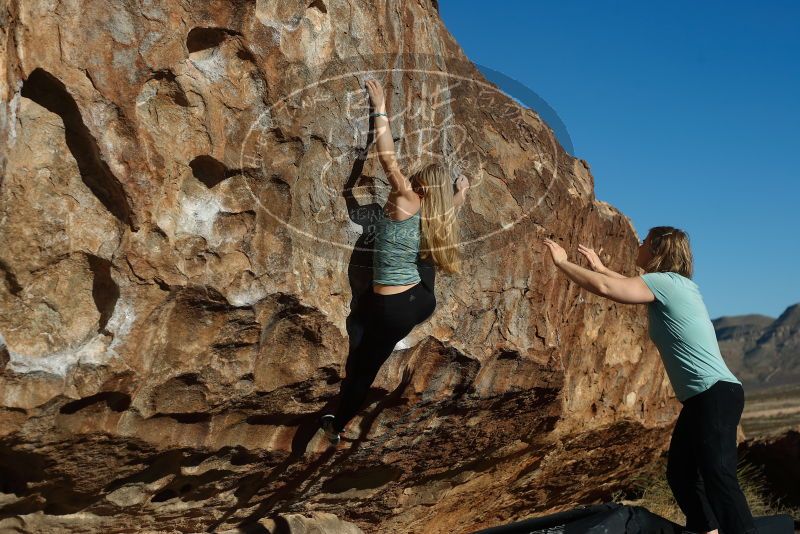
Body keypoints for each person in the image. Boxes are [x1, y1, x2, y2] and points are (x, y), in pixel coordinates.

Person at [542, 227, 757, 534]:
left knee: (718, 474)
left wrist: (563, 263)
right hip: (703, 398)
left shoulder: (666, 284)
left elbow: (606, 288)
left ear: (657, 250)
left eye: (644, 242)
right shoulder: (673, 285)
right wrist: (601, 267)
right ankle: (707, 531)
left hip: (715, 394)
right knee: (681, 474)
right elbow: (621, 283)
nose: (638, 245)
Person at [319, 78, 470, 445]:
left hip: (392, 305)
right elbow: (451, 206)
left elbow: (386, 157)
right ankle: (338, 424)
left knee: (362, 362)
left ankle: (337, 422)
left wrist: (380, 108)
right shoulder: (438, 211)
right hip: (418, 302)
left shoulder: (407, 197)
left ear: (419, 184)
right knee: (367, 358)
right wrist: (461, 191)